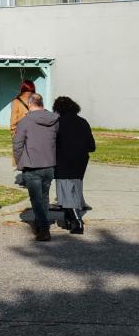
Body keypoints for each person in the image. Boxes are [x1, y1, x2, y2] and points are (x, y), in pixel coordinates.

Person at [13, 93, 59, 241]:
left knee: (36, 200)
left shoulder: (25, 121)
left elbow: (17, 144)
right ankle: (41, 223)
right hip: (49, 164)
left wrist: (19, 161)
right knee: (44, 197)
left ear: (30, 104)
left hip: (32, 165)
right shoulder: (54, 119)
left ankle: (44, 229)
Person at [53, 96, 95, 234]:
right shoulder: (83, 122)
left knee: (65, 192)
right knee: (75, 192)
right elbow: (91, 146)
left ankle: (77, 222)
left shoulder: (57, 123)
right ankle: (69, 220)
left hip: (63, 161)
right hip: (80, 161)